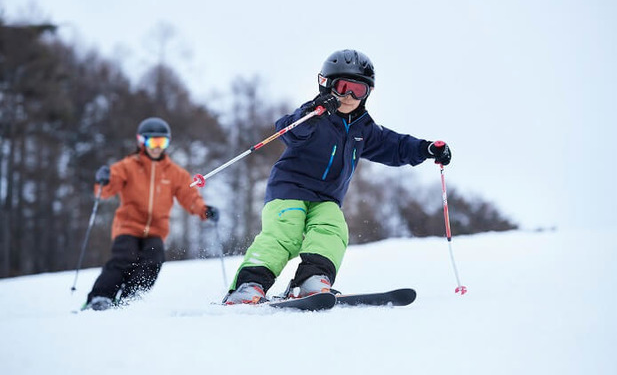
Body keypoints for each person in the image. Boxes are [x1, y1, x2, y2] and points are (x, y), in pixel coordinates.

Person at [222, 49, 452, 304]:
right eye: (343, 87)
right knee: (284, 235)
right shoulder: (313, 115)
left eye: (359, 90)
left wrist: (426, 149)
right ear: (328, 85)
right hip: (289, 190)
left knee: (332, 230)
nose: (350, 96)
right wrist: (313, 111)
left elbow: (394, 146)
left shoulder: (364, 128)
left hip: (326, 198)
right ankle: (248, 285)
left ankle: (310, 280)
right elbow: (287, 130)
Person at [83, 117, 219, 311]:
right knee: (124, 256)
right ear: (142, 141)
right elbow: (105, 190)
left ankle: (130, 300)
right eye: (152, 142)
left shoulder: (175, 173)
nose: (157, 147)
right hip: (128, 226)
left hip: (155, 230)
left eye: (162, 142)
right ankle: (100, 297)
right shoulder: (128, 166)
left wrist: (204, 210)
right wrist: (103, 180)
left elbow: (189, 196)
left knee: (154, 259)